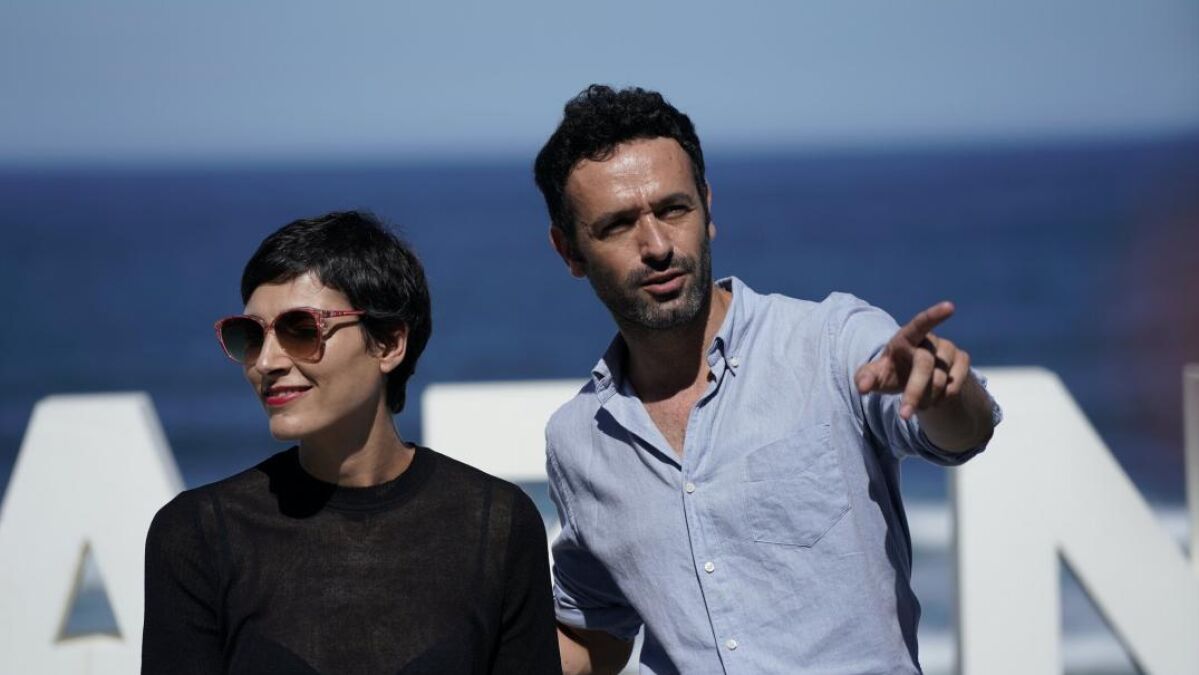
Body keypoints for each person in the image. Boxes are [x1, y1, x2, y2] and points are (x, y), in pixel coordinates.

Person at [533, 86, 1002, 674]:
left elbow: (964, 434)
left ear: (708, 209)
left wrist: (945, 393)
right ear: (569, 252)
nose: (657, 246)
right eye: (619, 225)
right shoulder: (579, 439)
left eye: (674, 209)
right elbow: (594, 635)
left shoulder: (831, 341)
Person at [142, 211, 560, 674]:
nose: (266, 362)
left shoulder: (497, 525)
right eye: (251, 336)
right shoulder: (198, 534)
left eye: (301, 329)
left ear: (388, 344)